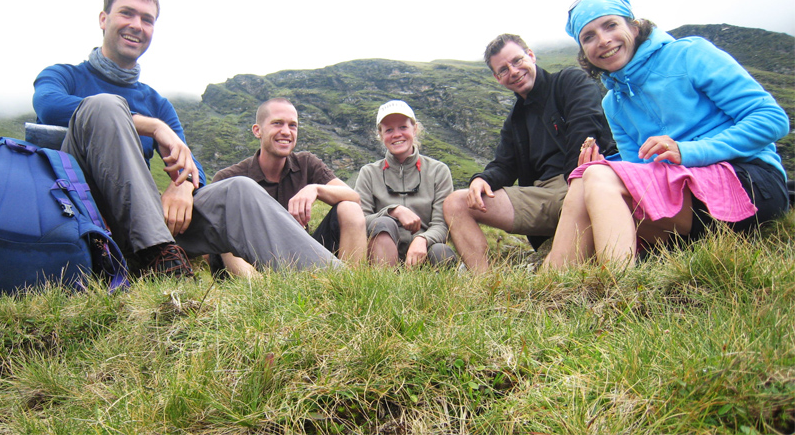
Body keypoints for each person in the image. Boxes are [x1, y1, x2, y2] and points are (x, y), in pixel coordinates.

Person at [32, 0, 342, 277]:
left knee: (239, 188)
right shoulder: (63, 76)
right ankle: (158, 251)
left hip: (139, 227)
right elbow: (49, 106)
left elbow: (193, 169)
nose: (137, 25)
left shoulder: (158, 102)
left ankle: (332, 279)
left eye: (147, 19)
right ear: (103, 18)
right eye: (127, 13)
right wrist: (151, 126)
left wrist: (182, 185)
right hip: (83, 213)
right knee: (103, 106)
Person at [544, 0, 790, 269]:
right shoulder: (614, 102)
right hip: (686, 197)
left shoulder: (689, 54)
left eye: (610, 25)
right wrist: (608, 164)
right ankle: (550, 287)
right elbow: (641, 168)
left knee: (598, 177)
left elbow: (772, 119)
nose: (603, 40)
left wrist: (687, 151)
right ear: (584, 51)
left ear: (634, 26)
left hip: (750, 181)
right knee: (584, 177)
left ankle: (615, 293)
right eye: (589, 37)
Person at [443, 34, 617, 273]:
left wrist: (573, 188)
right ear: (497, 78)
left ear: (531, 56)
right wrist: (482, 179)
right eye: (503, 70)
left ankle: (561, 254)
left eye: (517, 61)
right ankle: (484, 284)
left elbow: (585, 130)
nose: (513, 71)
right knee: (456, 203)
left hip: (583, 183)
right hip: (542, 196)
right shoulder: (515, 120)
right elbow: (504, 165)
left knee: (551, 277)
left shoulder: (570, 82)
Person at [209, 98, 367, 277]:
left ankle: (349, 288)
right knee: (224, 223)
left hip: (298, 258)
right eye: (277, 123)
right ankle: (258, 291)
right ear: (257, 131)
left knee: (350, 208)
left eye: (292, 125)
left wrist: (316, 189)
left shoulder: (306, 163)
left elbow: (354, 197)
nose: (286, 132)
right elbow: (212, 235)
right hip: (249, 263)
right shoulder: (228, 178)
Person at [355, 100, 456, 267]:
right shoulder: (368, 173)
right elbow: (360, 221)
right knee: (382, 223)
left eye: (403, 127)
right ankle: (383, 287)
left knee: (441, 251)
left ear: (414, 129)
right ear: (381, 135)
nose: (396, 135)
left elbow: (442, 224)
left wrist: (423, 239)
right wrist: (392, 211)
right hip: (381, 257)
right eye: (389, 130)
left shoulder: (439, 171)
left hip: (424, 254)